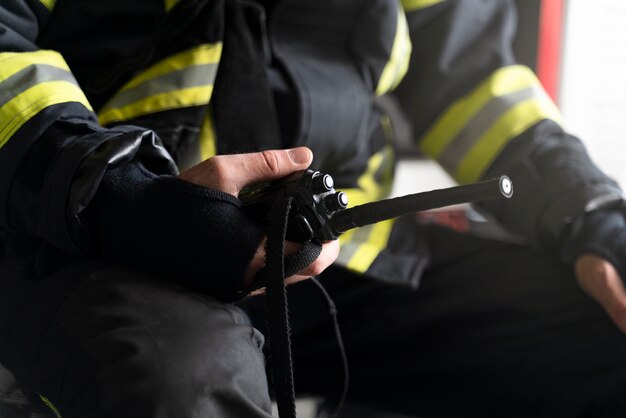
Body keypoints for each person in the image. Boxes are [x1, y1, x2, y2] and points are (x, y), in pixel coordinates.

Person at [1, 0, 626, 417]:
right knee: (183, 385)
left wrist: (586, 207)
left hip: (350, 250)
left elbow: (470, 76)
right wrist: (115, 193)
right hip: (95, 237)